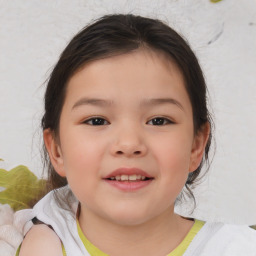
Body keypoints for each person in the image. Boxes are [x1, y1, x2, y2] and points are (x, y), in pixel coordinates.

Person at [17, 14, 256, 256]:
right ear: (56, 149)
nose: (129, 144)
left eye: (158, 120)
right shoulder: (21, 238)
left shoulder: (239, 248)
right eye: (97, 120)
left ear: (196, 146)